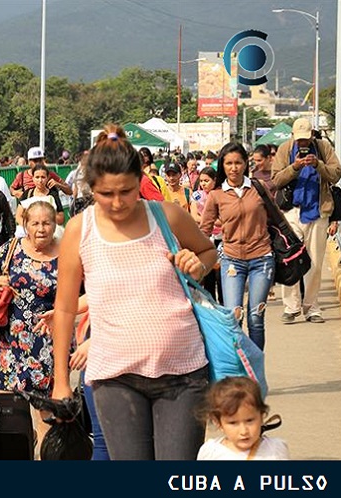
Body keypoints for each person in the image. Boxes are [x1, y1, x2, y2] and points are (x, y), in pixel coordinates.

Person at [51, 124, 216, 460]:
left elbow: (208, 251)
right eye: (105, 194)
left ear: (140, 180)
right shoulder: (78, 230)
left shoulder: (166, 216)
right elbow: (65, 308)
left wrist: (197, 265)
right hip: (114, 378)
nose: (117, 203)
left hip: (183, 373)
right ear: (91, 189)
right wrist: (60, 379)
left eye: (126, 191)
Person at [0, 200, 60, 450]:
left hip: (50, 340)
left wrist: (60, 312)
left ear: (55, 223)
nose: (41, 229)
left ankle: (47, 457)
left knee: (45, 410)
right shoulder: (13, 248)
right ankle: (19, 455)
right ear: (26, 225)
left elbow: (85, 291)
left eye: (46, 223)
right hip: (13, 340)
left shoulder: (67, 253)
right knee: (12, 409)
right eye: (35, 223)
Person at [200, 143, 273, 351]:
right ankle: (240, 369)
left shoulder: (258, 188)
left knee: (256, 317)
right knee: (234, 316)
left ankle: (255, 370)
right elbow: (204, 230)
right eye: (229, 163)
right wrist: (200, 258)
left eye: (238, 163)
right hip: (232, 260)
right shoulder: (216, 195)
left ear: (245, 164)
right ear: (222, 166)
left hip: (262, 259)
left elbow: (275, 218)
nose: (234, 168)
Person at [271, 117, 341, 324]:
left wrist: (318, 164)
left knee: (315, 262)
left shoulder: (323, 147)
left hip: (318, 211)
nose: (302, 144)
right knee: (290, 258)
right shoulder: (285, 149)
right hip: (292, 210)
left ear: (312, 135)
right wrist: (294, 168)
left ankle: (312, 307)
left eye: (305, 139)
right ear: (293, 137)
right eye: (299, 140)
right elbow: (276, 180)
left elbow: (336, 173)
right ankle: (291, 307)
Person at [197, 377, 289, 460]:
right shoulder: (210, 452)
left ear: (261, 416)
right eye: (233, 423)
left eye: (250, 421)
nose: (244, 431)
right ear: (218, 422)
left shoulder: (275, 449)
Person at [190, 166, 222, 304]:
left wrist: (210, 219)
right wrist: (209, 219)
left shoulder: (221, 194)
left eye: (207, 180)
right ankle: (211, 302)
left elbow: (224, 219)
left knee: (221, 274)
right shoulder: (197, 195)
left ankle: (223, 301)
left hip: (221, 238)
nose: (203, 184)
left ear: (214, 181)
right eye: (201, 180)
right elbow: (194, 216)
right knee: (207, 273)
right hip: (205, 238)